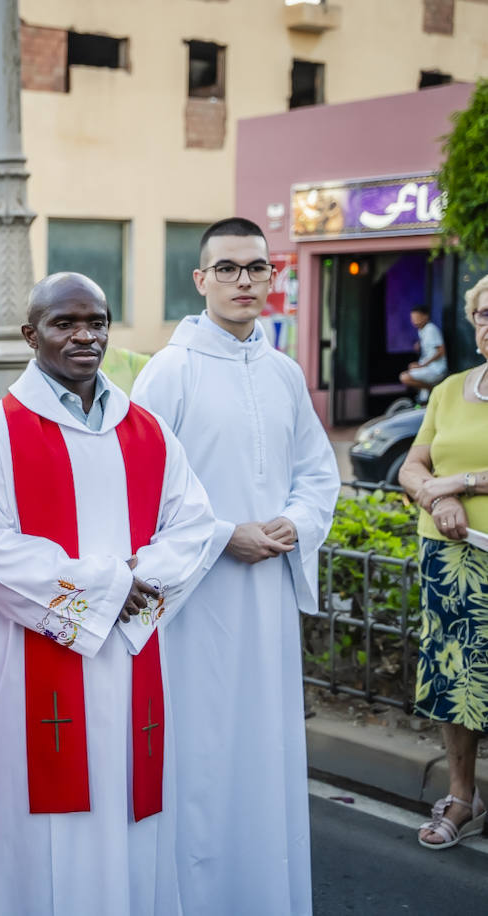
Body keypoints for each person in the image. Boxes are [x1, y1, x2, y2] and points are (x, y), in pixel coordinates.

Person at [0, 271, 215, 915]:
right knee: (42, 836)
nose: (84, 336)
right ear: (30, 334)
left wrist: (133, 585)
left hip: (132, 662)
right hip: (34, 672)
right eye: (65, 323)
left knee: (132, 813)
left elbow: (194, 525)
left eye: (95, 322)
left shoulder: (147, 430)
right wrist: (110, 586)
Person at [131, 217, 340, 915]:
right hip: (197, 603)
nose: (244, 281)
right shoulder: (173, 369)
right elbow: (139, 483)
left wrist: (299, 522)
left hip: (267, 603)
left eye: (256, 268)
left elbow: (317, 473)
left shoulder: (283, 372)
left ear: (272, 279)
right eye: (228, 268)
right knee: (203, 757)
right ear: (202, 280)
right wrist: (223, 536)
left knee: (264, 758)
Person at [397, 274, 488, 850]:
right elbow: (412, 466)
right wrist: (437, 493)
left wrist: (462, 480)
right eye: (484, 315)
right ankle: (463, 797)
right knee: (457, 681)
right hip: (450, 560)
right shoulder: (451, 389)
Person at [399, 304, 448, 402]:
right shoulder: (422, 330)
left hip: (437, 370)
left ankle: (434, 389)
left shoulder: (431, 329)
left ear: (425, 316)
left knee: (404, 377)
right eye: (412, 318)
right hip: (428, 367)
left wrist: (422, 365)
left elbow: (441, 351)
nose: (414, 321)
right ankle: (425, 398)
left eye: (417, 317)